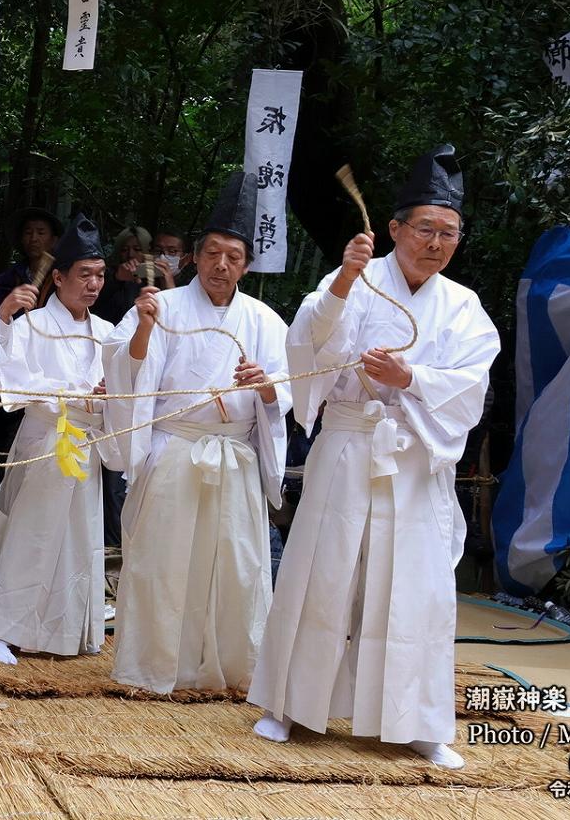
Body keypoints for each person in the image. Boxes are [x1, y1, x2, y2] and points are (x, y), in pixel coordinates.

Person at [249, 145, 499, 770]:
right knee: (323, 570)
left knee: (416, 588)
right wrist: (342, 280)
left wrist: (409, 377)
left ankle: (415, 720)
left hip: (414, 457)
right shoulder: (356, 279)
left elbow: (471, 384)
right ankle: (288, 703)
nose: (436, 243)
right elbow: (307, 342)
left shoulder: (463, 306)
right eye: (425, 229)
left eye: (448, 233)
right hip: (349, 442)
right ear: (394, 228)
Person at [104, 173, 291, 694]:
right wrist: (143, 328)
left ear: (246, 265)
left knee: (236, 564)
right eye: (212, 253)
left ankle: (232, 667)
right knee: (164, 563)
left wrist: (267, 387)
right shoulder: (162, 308)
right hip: (176, 452)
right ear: (194, 258)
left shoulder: (265, 320)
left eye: (233, 256)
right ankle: (158, 666)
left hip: (235, 455)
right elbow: (124, 371)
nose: (221, 265)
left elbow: (290, 390)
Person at [0, 214, 118, 663]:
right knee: (31, 537)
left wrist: (107, 395)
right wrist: (3, 315)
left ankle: (65, 632)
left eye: (100, 275)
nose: (93, 284)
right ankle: (0, 630)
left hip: (86, 445)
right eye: (84, 274)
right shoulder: (32, 324)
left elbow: (126, 385)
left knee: (78, 540)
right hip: (44, 441)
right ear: (58, 278)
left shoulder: (107, 333)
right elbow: (5, 372)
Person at [0, 207, 61, 344]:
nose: (33, 238)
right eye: (28, 233)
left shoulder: (63, 280)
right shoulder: (7, 280)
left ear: (54, 240)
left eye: (41, 232)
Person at [92, 226, 151, 325]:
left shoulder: (153, 278)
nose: (130, 254)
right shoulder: (106, 274)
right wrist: (117, 279)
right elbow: (92, 304)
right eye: (124, 250)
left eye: (137, 249)